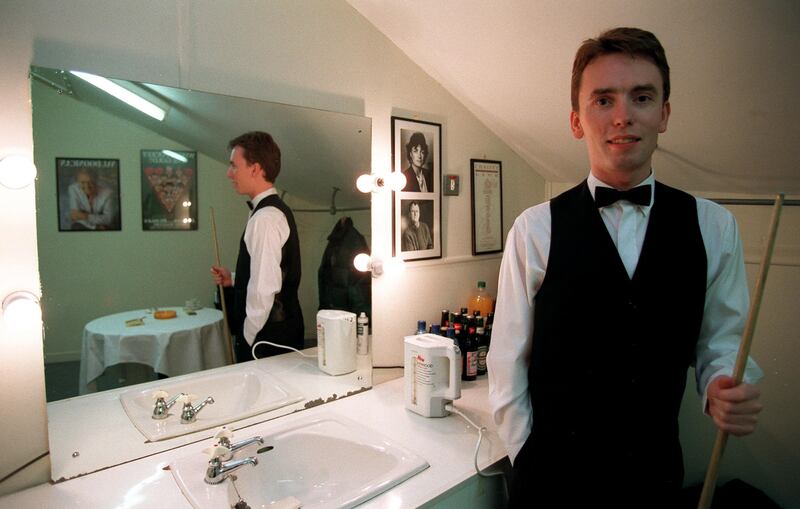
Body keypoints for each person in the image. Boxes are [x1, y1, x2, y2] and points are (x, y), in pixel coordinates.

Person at [486, 27, 764, 507]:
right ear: (577, 121)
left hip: (654, 478)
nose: (623, 116)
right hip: (550, 481)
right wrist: (525, 455)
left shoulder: (715, 227)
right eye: (603, 100)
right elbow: (506, 363)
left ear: (664, 114)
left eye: (641, 97)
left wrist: (722, 384)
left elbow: (722, 342)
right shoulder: (533, 230)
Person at [211, 131, 304, 362]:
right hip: (277, 334)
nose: (229, 173)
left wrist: (246, 337)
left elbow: (264, 290)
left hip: (266, 341)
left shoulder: (265, 218)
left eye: (234, 166)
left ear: (255, 169)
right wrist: (234, 279)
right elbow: (271, 273)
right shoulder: (269, 212)